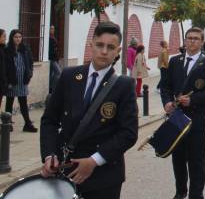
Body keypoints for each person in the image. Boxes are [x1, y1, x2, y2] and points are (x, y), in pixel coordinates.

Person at [39, 21, 138, 199]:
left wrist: (94, 160)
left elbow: (128, 133)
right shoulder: (69, 76)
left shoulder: (124, 85)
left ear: (118, 51)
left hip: (104, 177)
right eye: (100, 45)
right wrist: (49, 155)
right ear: (91, 44)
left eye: (110, 47)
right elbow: (50, 120)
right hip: (66, 171)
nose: (104, 51)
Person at [160, 27, 205, 199]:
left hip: (197, 119)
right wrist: (167, 103)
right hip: (176, 118)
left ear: (202, 42)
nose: (192, 41)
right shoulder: (175, 61)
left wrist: (193, 100)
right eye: (189, 38)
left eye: (196, 38)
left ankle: (196, 194)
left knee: (196, 160)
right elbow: (165, 86)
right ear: (185, 40)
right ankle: (180, 192)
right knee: (177, 158)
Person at [4, 30, 37, 132]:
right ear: (11, 38)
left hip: (23, 81)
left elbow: (30, 62)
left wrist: (30, 74)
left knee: (23, 103)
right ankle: (7, 124)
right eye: (15, 37)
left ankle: (27, 124)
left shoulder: (25, 49)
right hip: (12, 81)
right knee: (9, 102)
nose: (18, 39)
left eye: (19, 37)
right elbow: (5, 66)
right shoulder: (7, 50)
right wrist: (7, 81)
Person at [49, 25, 62, 93]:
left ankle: (51, 89)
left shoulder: (53, 37)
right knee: (58, 73)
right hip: (52, 59)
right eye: (51, 28)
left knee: (52, 75)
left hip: (54, 59)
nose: (52, 30)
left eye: (53, 29)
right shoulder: (49, 38)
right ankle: (52, 89)